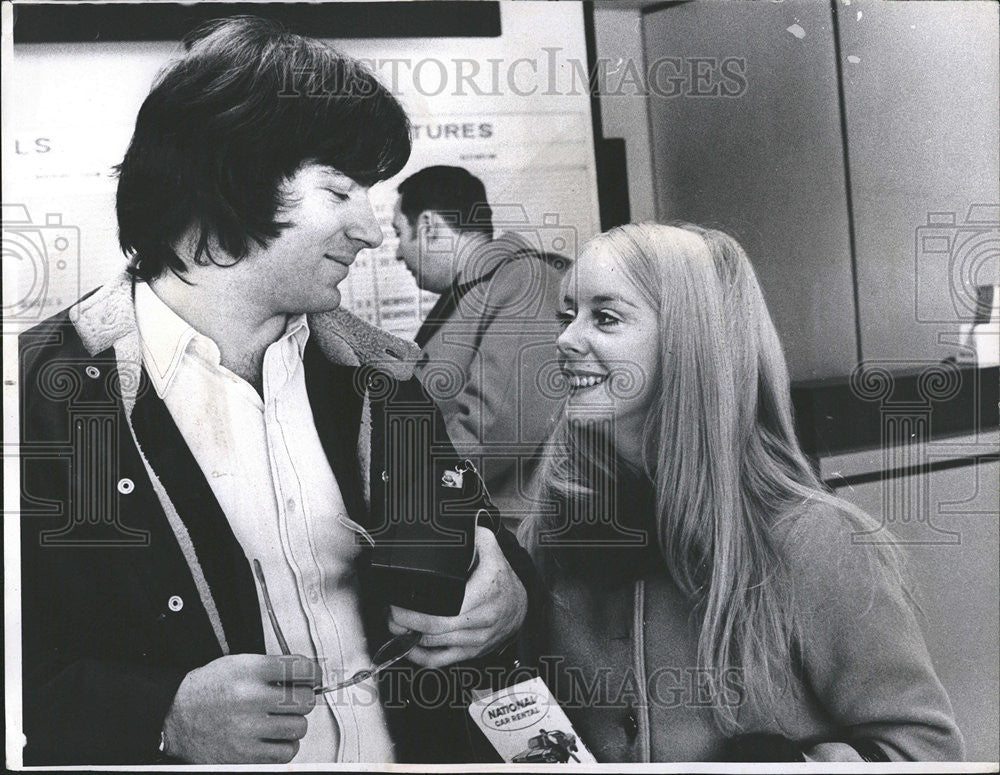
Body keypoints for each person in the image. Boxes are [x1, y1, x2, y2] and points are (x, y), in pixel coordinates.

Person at [18, 17, 537, 765]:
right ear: (230, 177)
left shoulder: (379, 374)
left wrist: (509, 593)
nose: (369, 229)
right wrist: (161, 716)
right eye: (341, 190)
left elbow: (482, 538)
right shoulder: (49, 395)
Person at [518, 223, 965, 762]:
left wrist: (801, 767)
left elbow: (929, 753)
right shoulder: (556, 527)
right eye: (567, 316)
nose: (565, 340)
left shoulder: (812, 539)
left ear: (689, 346)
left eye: (605, 318)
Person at [392, 166, 567, 521]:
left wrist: (404, 491)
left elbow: (495, 431)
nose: (397, 253)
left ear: (428, 227)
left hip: (510, 537)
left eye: (399, 234)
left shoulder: (523, 283)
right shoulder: (480, 291)